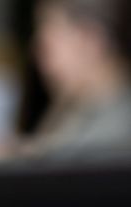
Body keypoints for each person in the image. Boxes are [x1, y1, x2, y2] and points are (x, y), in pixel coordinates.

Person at [25, 0, 131, 160]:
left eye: (48, 44)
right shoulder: (79, 108)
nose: (39, 57)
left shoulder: (112, 136)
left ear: (90, 40)